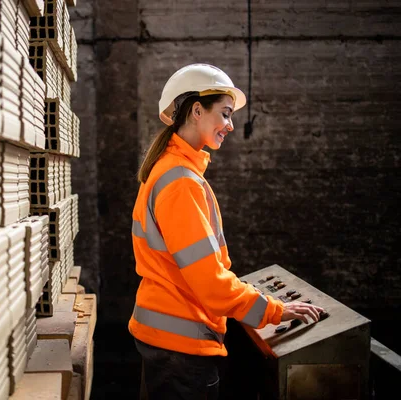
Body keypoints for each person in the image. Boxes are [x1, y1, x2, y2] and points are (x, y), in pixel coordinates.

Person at [128, 64, 325, 400]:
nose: (230, 125)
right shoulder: (180, 183)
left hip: (166, 341)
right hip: (182, 348)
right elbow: (210, 283)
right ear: (195, 111)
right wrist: (274, 310)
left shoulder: (171, 170)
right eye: (224, 113)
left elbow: (199, 269)